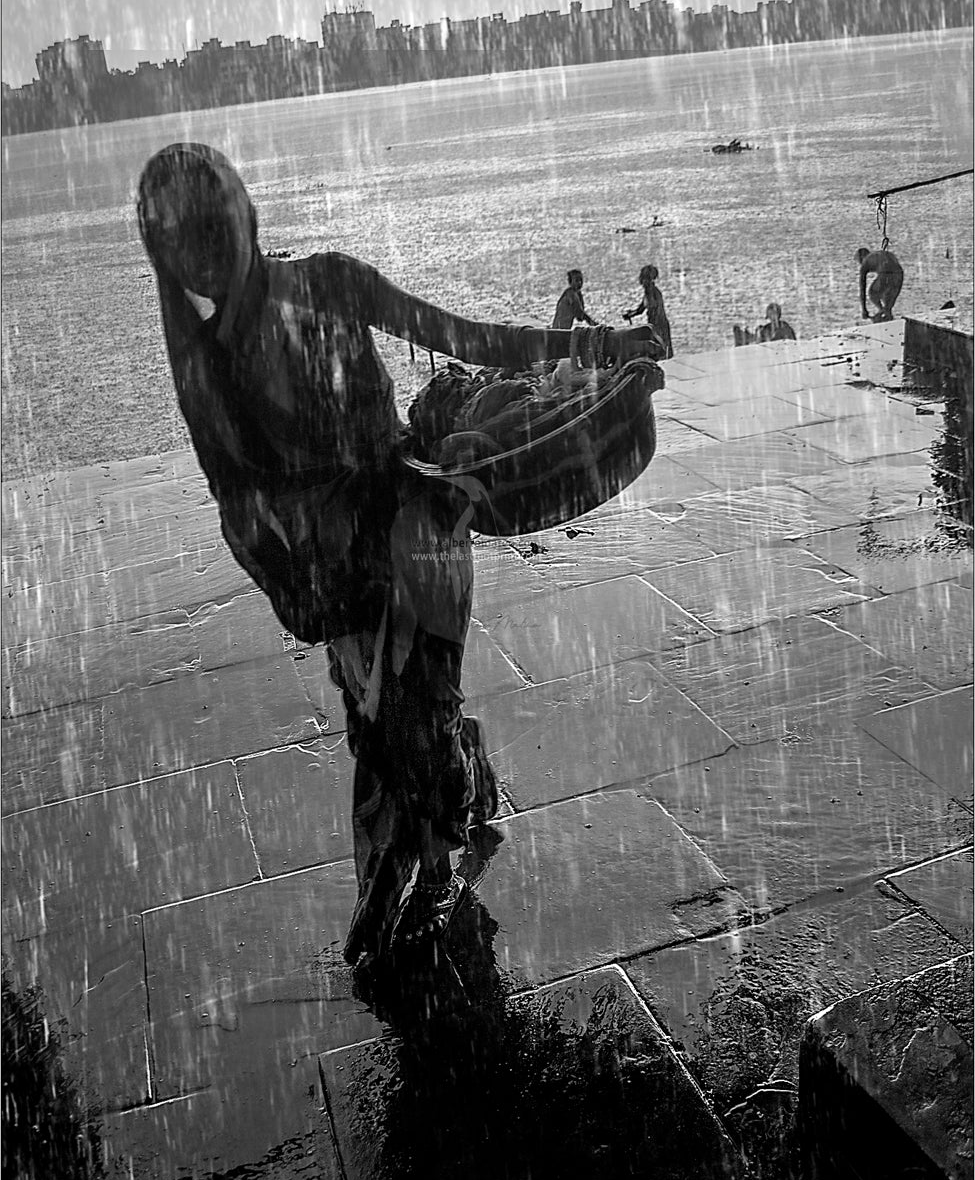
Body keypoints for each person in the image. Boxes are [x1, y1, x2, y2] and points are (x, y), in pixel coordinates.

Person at [138, 143, 660, 967]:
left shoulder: (329, 282)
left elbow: (458, 333)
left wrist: (597, 351)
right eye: (179, 244)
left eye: (212, 226)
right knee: (373, 725)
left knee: (412, 715)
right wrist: (286, 589)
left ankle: (422, 859)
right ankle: (427, 825)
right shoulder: (203, 367)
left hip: (418, 520)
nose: (203, 252)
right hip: (330, 567)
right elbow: (234, 499)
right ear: (162, 260)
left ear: (243, 212)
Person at [622, 264, 673, 358]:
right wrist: (631, 314)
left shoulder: (651, 291)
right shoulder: (650, 291)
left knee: (660, 353)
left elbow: (652, 306)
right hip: (657, 324)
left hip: (658, 325)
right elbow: (640, 309)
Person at [857, 247, 904, 323]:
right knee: (888, 299)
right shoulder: (876, 256)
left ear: (861, 257)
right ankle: (886, 314)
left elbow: (862, 289)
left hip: (886, 272)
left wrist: (864, 310)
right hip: (899, 273)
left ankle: (882, 311)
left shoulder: (866, 261)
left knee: (873, 293)